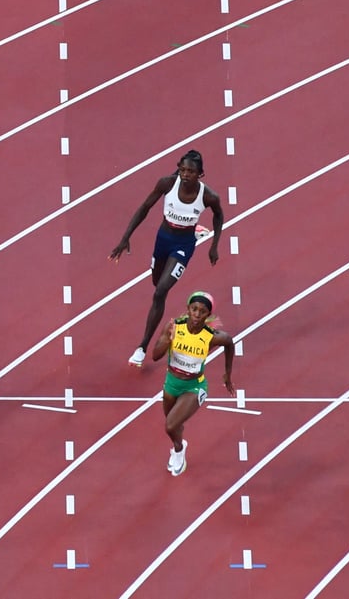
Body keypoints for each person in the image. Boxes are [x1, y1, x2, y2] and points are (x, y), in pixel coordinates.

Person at [109, 149, 224, 367]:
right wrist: (125, 238)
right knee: (156, 283)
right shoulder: (167, 184)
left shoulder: (208, 196)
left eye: (191, 171)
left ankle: (142, 347)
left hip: (183, 245)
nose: (185, 174)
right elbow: (144, 208)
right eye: (182, 170)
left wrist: (214, 245)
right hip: (163, 238)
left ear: (200, 174)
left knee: (161, 290)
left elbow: (219, 215)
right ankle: (196, 227)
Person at [150, 291, 235, 476]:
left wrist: (227, 374)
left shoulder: (211, 336)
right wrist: (167, 340)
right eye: (194, 309)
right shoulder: (174, 327)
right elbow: (155, 356)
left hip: (194, 386)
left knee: (170, 425)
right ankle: (178, 445)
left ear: (208, 315)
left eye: (202, 311)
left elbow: (229, 342)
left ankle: (179, 452)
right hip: (171, 383)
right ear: (188, 309)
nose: (197, 314)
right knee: (174, 426)